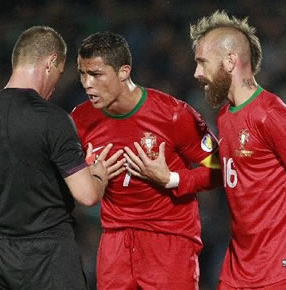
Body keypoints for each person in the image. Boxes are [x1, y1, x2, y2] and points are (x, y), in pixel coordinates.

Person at [0, 26, 124, 290]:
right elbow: (87, 195)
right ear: (50, 62)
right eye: (59, 73)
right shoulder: (53, 119)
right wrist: (99, 174)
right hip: (48, 256)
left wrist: (14, 197)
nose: (56, 85)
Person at [189, 10, 286, 289]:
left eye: (202, 62)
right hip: (238, 271)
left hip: (282, 272)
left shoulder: (270, 113)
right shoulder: (224, 117)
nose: (196, 73)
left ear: (230, 61)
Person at [70, 31, 222, 290]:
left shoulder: (174, 115)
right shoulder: (80, 119)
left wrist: (171, 179)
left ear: (123, 72)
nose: (87, 84)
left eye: (95, 74)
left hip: (169, 241)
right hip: (115, 243)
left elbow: (220, 169)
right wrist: (91, 178)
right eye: (82, 74)